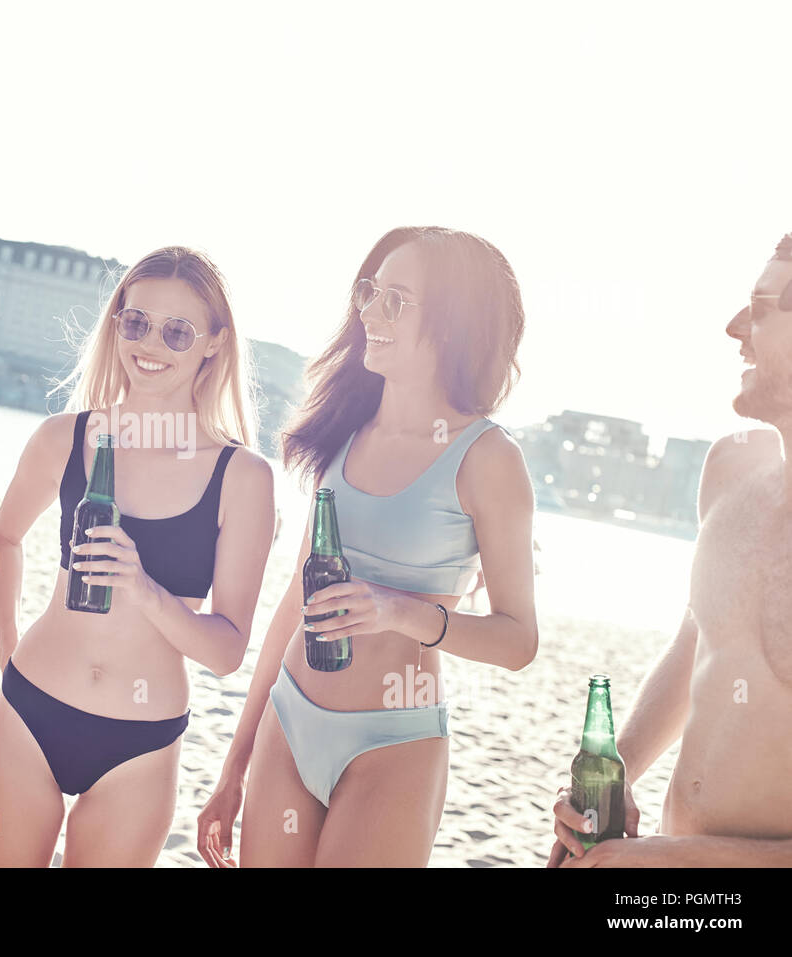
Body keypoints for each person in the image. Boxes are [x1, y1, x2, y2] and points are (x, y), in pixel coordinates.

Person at [198, 226, 538, 867]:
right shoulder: (347, 429)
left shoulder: (489, 459)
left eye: (396, 300)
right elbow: (295, 599)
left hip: (393, 743)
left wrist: (399, 610)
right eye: (370, 293)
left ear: (454, 323)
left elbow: (519, 641)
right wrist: (233, 767)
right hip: (290, 721)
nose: (369, 313)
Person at [0, 247, 276, 867]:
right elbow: (3, 541)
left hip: (140, 744)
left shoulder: (242, 476)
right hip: (29, 711)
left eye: (178, 331)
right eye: (135, 322)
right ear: (116, 324)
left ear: (215, 344)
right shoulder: (65, 437)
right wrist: (8, 654)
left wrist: (143, 589)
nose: (151, 344)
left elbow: (226, 650)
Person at [549, 234, 792, 867]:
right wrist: (617, 770)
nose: (735, 327)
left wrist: (668, 862)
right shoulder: (733, 471)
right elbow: (704, 640)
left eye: (763, 306)